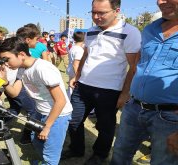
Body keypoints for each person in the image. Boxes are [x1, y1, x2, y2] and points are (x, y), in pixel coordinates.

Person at [63, 0, 141, 164]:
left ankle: (100, 154)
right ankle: (76, 149)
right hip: (83, 86)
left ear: (116, 10)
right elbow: (86, 54)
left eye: (101, 13)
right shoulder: (90, 30)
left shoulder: (130, 32)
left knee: (105, 126)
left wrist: (125, 93)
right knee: (73, 119)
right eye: (93, 12)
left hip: (109, 90)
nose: (96, 17)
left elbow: (134, 67)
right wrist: (77, 75)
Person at [110, 0, 178, 164]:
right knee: (119, 154)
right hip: (133, 108)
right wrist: (125, 94)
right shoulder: (150, 29)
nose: (160, 2)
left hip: (170, 118)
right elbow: (138, 65)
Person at [0, 37, 73, 165]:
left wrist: (47, 126)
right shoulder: (22, 69)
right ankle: (44, 160)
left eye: (6, 59)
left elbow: (61, 101)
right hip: (40, 111)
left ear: (21, 54)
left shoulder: (42, 69)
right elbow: (14, 93)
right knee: (35, 139)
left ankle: (48, 161)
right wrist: (4, 82)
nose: (5, 64)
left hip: (57, 115)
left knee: (51, 155)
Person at [0, 67, 37, 145]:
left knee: (15, 110)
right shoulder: (9, 59)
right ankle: (26, 137)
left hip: (12, 86)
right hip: (17, 88)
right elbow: (0, 73)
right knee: (33, 111)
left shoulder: (1, 58)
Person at [66, 31, 85, 99]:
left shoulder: (73, 47)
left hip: (71, 70)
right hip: (75, 71)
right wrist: (78, 75)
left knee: (70, 87)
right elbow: (76, 64)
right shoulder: (79, 50)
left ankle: (69, 99)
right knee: (74, 87)